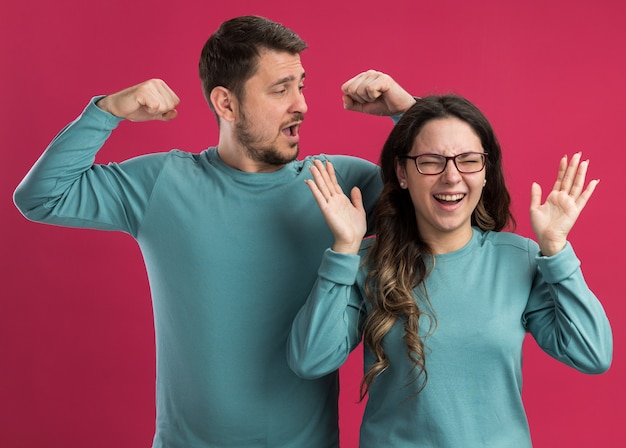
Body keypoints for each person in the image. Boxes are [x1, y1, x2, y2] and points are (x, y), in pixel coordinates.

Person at [13, 16, 417, 448]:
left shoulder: (337, 182)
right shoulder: (162, 183)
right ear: (226, 104)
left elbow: (440, 208)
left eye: (301, 85)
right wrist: (108, 111)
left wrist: (407, 114)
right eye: (281, 89)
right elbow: (42, 197)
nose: (302, 104)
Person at [287, 94, 613, 447]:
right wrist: (344, 250)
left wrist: (557, 249)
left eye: (469, 161)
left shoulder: (520, 258)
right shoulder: (367, 261)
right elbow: (310, 360)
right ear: (402, 173)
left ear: (486, 171)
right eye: (431, 162)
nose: (452, 176)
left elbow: (592, 354)